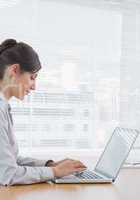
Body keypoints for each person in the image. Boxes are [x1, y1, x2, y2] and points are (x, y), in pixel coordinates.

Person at [0, 39, 86, 186]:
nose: (34, 87)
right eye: (32, 77)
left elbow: (9, 160)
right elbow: (8, 174)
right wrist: (56, 172)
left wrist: (49, 165)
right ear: (14, 70)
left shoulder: (4, 107)